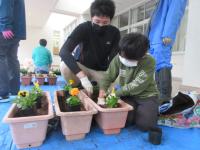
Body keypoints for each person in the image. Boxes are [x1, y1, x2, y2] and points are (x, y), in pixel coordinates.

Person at [99, 33, 159, 131]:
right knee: (123, 121)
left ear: (143, 55)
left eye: (129, 59)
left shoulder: (149, 61)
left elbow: (136, 85)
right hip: (128, 95)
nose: (125, 60)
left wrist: (115, 94)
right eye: (124, 56)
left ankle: (151, 108)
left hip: (146, 96)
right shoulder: (120, 57)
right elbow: (108, 75)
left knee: (145, 126)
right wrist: (102, 92)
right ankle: (136, 111)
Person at [59, 0, 120, 95]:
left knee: (109, 93)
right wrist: (83, 77)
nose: (100, 25)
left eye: (105, 22)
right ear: (91, 18)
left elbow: (113, 58)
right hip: (83, 68)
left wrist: (110, 79)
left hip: (101, 71)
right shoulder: (83, 28)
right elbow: (64, 51)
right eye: (97, 21)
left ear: (110, 20)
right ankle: (77, 88)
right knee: (64, 66)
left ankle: (96, 89)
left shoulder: (114, 33)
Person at [148, 0, 187, 103]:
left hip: (162, 36)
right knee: (156, 64)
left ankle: (165, 97)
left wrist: (168, 33)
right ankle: (159, 94)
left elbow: (175, 12)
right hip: (154, 37)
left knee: (162, 63)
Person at [0, 0, 26, 101]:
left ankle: (2, 92)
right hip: (16, 30)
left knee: (2, 56)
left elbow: (5, 3)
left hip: (7, 29)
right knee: (12, 58)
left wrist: (5, 25)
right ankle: (14, 91)